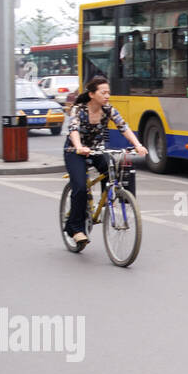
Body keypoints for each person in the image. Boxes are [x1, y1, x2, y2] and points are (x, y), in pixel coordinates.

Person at [63, 75, 146, 251]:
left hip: (97, 150)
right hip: (75, 152)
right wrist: (79, 147)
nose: (107, 95)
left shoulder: (108, 109)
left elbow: (123, 127)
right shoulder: (78, 109)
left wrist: (138, 145)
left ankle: (110, 199)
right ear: (92, 94)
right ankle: (75, 228)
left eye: (109, 92)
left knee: (115, 171)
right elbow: (73, 130)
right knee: (79, 188)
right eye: (103, 92)